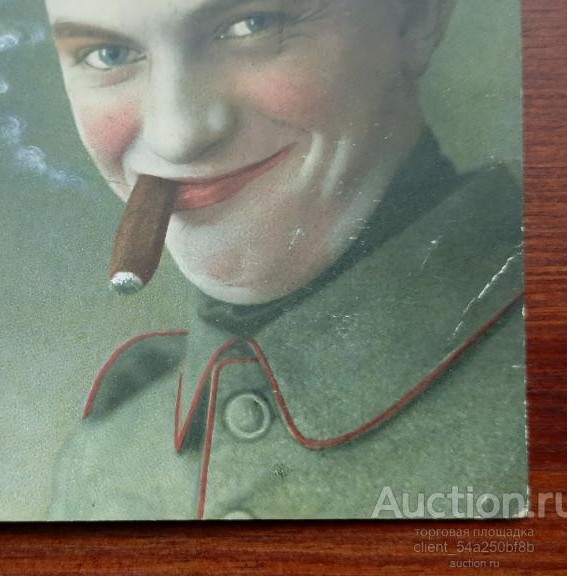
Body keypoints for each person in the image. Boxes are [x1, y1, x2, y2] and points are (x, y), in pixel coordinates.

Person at [44, 0, 527, 520]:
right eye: (108, 54)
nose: (176, 137)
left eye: (253, 25)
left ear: (416, 18)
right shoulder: (102, 462)